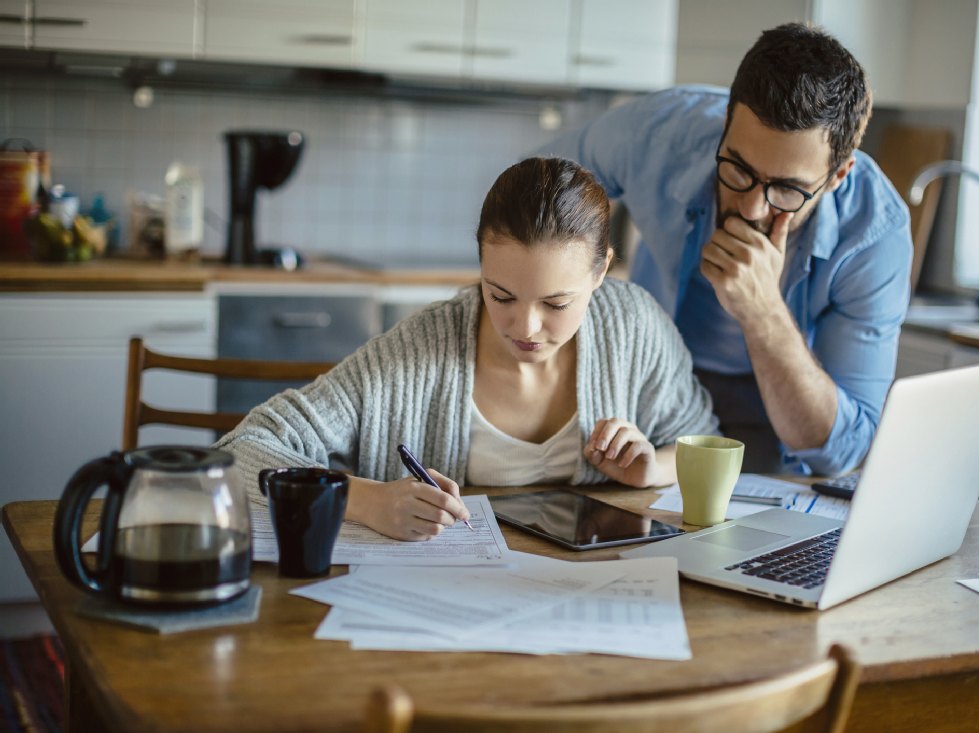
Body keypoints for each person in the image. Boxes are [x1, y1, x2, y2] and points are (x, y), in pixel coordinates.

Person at [215, 156, 718, 541]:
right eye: (500, 295)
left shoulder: (634, 325)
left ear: (601, 271)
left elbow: (705, 445)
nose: (526, 326)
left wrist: (652, 467)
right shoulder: (417, 353)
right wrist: (364, 500)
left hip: (593, 597)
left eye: (556, 302)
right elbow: (241, 451)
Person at [538, 22, 913, 477]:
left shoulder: (875, 234)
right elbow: (535, 187)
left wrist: (763, 312)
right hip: (648, 389)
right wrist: (586, 286)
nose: (753, 206)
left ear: (838, 176)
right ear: (726, 124)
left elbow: (840, 451)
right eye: (737, 167)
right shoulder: (658, 135)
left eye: (788, 189)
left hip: (776, 416)